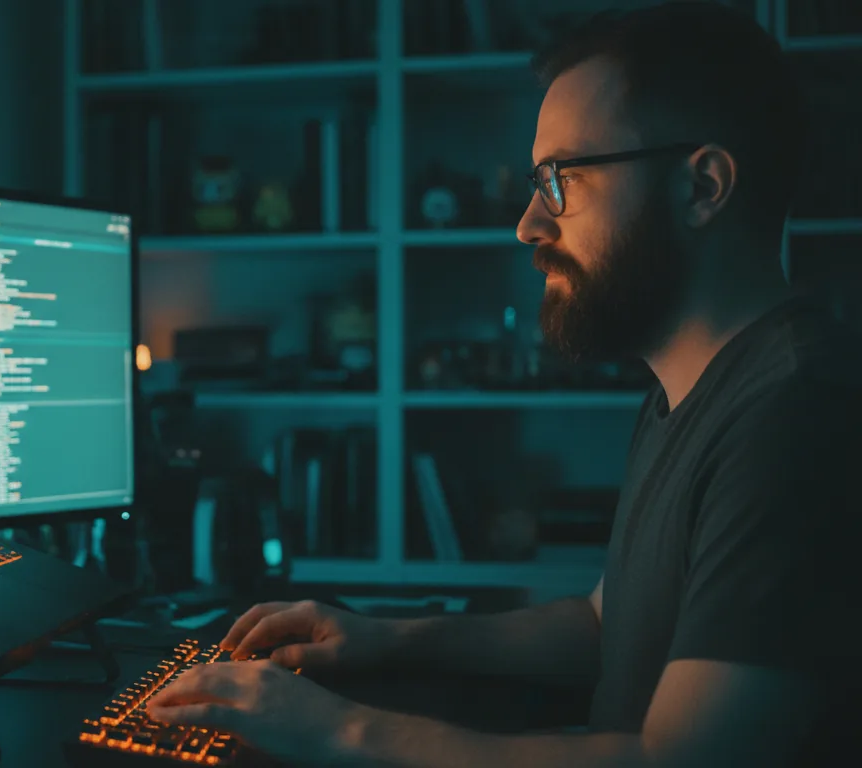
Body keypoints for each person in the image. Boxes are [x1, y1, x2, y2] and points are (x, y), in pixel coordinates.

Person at [146, 2, 862, 765]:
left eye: (561, 179)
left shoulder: (795, 409)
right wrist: (387, 640)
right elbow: (605, 625)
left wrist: (333, 731)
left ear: (703, 186)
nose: (527, 223)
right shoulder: (692, 389)